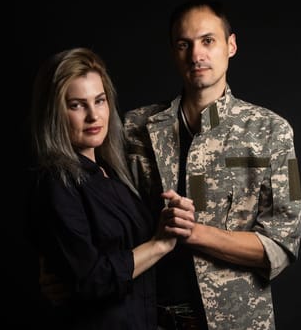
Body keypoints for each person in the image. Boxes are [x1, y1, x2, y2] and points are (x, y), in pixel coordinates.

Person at [123, 0, 301, 330]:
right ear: (173, 52)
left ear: (230, 46)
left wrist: (194, 233)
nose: (196, 55)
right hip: (146, 317)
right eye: (184, 44)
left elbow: (281, 243)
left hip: (236, 321)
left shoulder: (271, 131)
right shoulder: (135, 128)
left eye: (208, 41)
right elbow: (99, 203)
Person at [26, 47, 195, 329]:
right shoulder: (56, 182)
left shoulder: (112, 172)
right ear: (53, 113)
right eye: (77, 105)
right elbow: (91, 279)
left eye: (100, 101)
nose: (94, 115)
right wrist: (159, 244)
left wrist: (169, 222)